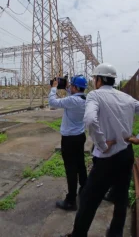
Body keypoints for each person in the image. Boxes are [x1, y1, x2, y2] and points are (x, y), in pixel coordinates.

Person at [60, 62, 139, 237]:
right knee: (121, 198)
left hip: (107, 158)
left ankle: (78, 234)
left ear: (99, 79)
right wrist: (137, 138)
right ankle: (115, 233)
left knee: (88, 200)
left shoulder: (95, 96)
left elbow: (89, 120)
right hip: (126, 154)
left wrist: (102, 144)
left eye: (94, 78)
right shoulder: (126, 98)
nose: (94, 81)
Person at [48, 75, 88, 211]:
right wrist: (67, 88)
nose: (70, 86)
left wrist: (54, 88)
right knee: (80, 163)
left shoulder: (72, 100)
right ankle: (85, 188)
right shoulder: (85, 98)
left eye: (72, 85)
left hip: (69, 139)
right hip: (80, 136)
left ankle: (71, 201)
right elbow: (76, 95)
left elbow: (52, 102)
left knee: (71, 168)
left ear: (76, 87)